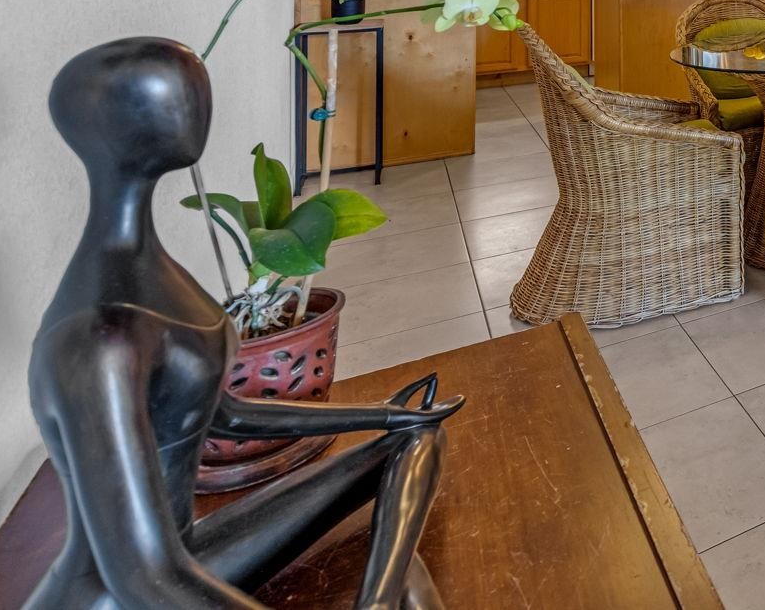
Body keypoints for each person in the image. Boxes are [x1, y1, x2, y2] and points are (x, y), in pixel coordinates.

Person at [25, 36, 460, 610]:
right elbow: (145, 580)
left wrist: (384, 415)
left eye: (193, 86)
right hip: (124, 594)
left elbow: (225, 416)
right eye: (171, 92)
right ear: (103, 124)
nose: (196, 101)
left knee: (418, 436)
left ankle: (380, 599)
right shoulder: (96, 334)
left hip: (188, 552)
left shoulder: (156, 273)